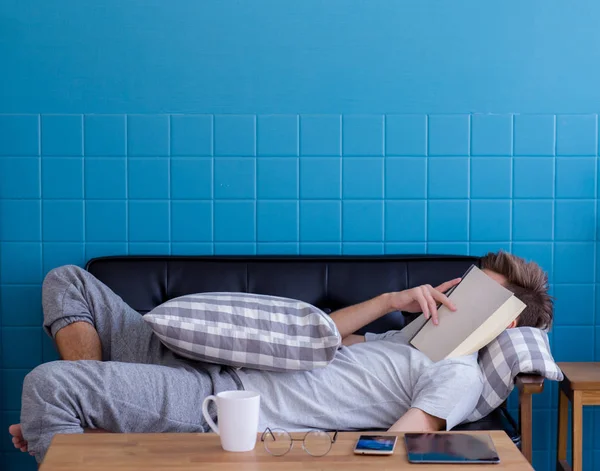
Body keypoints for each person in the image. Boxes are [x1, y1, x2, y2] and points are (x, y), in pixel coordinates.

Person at [9, 251, 553, 464]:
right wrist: (392, 302)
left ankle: (84, 426)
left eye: (478, 289)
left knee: (49, 386)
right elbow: (317, 337)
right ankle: (94, 427)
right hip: (195, 354)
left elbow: (390, 450)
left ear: (501, 319)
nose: (457, 291)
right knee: (68, 282)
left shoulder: (452, 375)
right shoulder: (406, 342)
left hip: (215, 400)